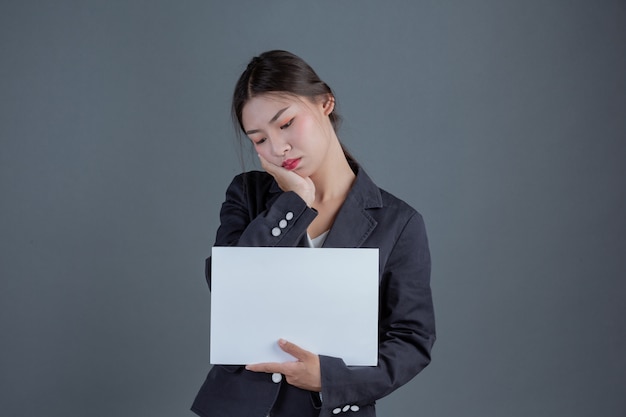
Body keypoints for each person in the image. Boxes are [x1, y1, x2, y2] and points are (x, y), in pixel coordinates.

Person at [191, 50, 435, 417]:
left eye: (286, 123)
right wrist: (293, 204)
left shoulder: (398, 223)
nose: (277, 148)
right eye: (258, 139)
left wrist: (330, 378)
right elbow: (227, 286)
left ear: (325, 102)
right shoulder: (248, 194)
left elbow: (412, 341)